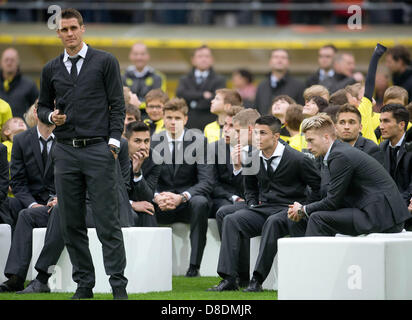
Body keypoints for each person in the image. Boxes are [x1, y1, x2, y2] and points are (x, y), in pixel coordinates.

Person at [36, 8, 128, 300]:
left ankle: (118, 286)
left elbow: (118, 104)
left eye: (73, 28)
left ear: (83, 29)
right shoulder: (50, 68)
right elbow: (41, 107)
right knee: (71, 223)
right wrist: (51, 118)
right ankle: (84, 285)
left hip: (99, 150)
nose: (69, 34)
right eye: (63, 30)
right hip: (65, 151)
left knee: (107, 222)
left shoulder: (105, 61)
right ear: (58, 33)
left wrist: (113, 144)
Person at [208, 115, 321, 292]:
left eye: (263, 133)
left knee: (273, 222)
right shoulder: (252, 158)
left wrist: (303, 208)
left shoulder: (298, 159)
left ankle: (256, 280)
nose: (257, 137)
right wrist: (252, 206)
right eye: (256, 133)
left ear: (276, 136)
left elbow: (318, 187)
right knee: (231, 219)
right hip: (263, 208)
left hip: (288, 209)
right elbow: (250, 189)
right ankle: (229, 278)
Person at [15, 135, 137, 294]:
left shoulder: (115, 144)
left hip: (104, 207)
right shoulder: (64, 143)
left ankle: (42, 278)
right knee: (27, 215)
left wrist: (68, 197)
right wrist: (56, 197)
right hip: (71, 201)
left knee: (62, 210)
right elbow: (52, 181)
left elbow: (122, 185)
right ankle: (15, 278)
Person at [288, 114, 409, 237]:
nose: (308, 147)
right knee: (302, 219)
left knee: (317, 218)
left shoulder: (339, 155)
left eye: (311, 140)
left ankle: (313, 257)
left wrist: (303, 209)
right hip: (375, 212)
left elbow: (332, 202)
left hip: (382, 218)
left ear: (326, 137)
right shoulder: (337, 152)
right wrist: (303, 210)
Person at [151, 97, 214, 277]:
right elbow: (148, 180)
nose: (172, 122)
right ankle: (152, 264)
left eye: (177, 118)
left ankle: (194, 266)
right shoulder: (153, 141)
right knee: (144, 203)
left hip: (187, 201)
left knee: (201, 202)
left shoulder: (200, 141)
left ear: (185, 119)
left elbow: (206, 181)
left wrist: (183, 197)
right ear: (163, 118)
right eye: (169, 117)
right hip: (161, 202)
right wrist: (156, 196)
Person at [0, 113, 56, 293]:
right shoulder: (22, 140)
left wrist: (59, 198)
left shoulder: (67, 139)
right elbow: (17, 182)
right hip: (30, 201)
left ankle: (16, 277)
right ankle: (13, 273)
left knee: (25, 215)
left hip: (60, 201)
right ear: (36, 113)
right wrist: (32, 204)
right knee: (9, 204)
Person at [176, 45, 226, 130]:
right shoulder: (184, 79)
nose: (204, 59)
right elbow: (180, 94)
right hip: (188, 124)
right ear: (193, 60)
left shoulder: (220, 80)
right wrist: (202, 95)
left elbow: (218, 99)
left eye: (207, 56)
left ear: (212, 60)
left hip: (211, 123)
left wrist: (192, 101)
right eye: (200, 56)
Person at [208, 105, 245, 219]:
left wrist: (239, 167)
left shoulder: (255, 149)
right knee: (227, 211)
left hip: (249, 198)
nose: (226, 129)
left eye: (231, 126)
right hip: (223, 198)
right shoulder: (213, 149)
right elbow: (212, 183)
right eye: (225, 124)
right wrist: (234, 197)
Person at [379, 104, 412, 229]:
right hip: (389, 211)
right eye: (380, 121)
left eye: (386, 121)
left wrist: (398, 208)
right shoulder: (381, 148)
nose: (381, 126)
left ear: (402, 125)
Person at [124, 121, 161, 227]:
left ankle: (152, 244)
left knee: (148, 211)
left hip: (140, 203)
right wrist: (132, 204)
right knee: (132, 215)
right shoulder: (115, 157)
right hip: (116, 205)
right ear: (126, 141)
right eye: (137, 141)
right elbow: (112, 193)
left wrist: (137, 172)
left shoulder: (155, 160)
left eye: (146, 141)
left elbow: (147, 197)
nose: (143, 146)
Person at [255, 49, 305, 115]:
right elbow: (256, 110)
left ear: (289, 62)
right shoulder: (261, 86)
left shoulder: (299, 86)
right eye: (276, 57)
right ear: (270, 61)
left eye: (283, 57)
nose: (279, 60)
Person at [122, 42, 166, 116]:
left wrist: (136, 103)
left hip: (150, 117)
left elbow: (159, 99)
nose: (139, 57)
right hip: (127, 116)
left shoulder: (158, 77)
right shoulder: (122, 76)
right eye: (135, 54)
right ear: (130, 56)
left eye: (142, 54)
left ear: (148, 56)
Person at [0, 48, 39, 119]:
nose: (9, 63)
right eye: (6, 60)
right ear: (1, 63)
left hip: (22, 129)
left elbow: (38, 108)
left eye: (12, 60)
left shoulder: (29, 85)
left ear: (18, 63)